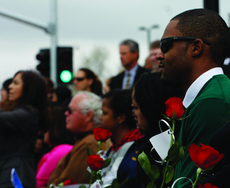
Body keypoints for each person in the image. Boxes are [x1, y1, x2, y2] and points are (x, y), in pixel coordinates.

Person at [155, 9, 230, 187]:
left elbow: (189, 183)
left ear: (196, 47)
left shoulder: (212, 102)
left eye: (165, 45)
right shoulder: (205, 97)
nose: (159, 55)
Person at [116, 72, 184, 188]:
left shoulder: (168, 154)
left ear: (150, 108)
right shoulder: (147, 145)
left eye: (136, 107)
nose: (134, 114)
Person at [47, 91, 111, 187]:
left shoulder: (90, 143)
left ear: (88, 116)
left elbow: (65, 183)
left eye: (70, 110)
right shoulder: (86, 139)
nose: (66, 113)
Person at [0, 70, 47, 188]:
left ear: (29, 89)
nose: (10, 86)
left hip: (16, 176)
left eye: (16, 83)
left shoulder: (28, 114)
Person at [99, 89, 143, 187]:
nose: (100, 117)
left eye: (105, 113)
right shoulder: (115, 146)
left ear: (120, 118)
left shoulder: (134, 145)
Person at [36, 107, 75, 188]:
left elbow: (39, 183)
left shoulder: (60, 151)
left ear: (54, 128)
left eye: (46, 127)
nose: (41, 132)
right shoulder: (63, 149)